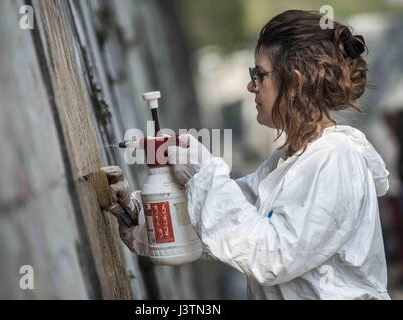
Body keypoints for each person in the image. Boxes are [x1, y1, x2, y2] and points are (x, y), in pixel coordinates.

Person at [102, 10, 391, 300]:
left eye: (260, 75)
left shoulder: (337, 159)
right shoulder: (285, 163)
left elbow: (271, 257)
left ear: (296, 83)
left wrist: (204, 175)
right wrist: (139, 209)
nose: (251, 86)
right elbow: (219, 229)